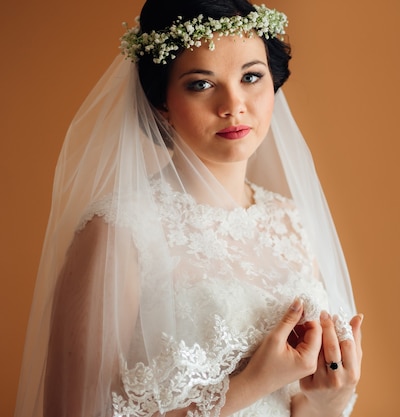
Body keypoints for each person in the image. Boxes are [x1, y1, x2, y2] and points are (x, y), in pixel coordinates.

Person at [13, 0, 363, 416]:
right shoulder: (119, 231)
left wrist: (330, 399)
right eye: (201, 83)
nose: (233, 104)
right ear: (161, 102)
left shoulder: (292, 225)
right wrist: (252, 383)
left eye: (251, 77)